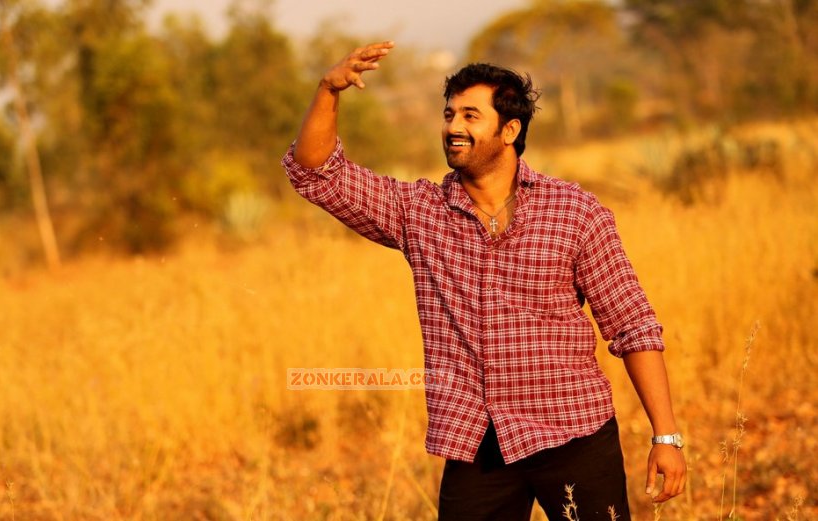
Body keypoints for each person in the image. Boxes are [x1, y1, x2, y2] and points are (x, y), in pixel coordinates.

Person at [281, 41, 686, 520]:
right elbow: (316, 174)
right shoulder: (418, 212)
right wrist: (328, 90)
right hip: (476, 443)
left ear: (509, 130)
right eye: (449, 114)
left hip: (573, 433)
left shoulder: (575, 213)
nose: (453, 127)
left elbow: (632, 326)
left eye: (470, 116)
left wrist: (665, 436)